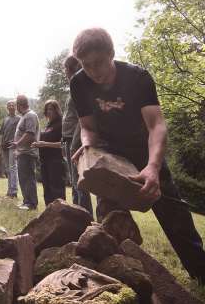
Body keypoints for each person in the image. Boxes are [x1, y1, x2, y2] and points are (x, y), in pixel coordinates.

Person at [70, 27, 205, 283]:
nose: (94, 72)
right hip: (110, 155)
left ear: (112, 53)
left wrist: (153, 167)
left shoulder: (137, 78)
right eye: (87, 66)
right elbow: (87, 127)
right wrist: (88, 146)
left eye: (99, 63)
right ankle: (122, 277)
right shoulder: (78, 82)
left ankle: (201, 272)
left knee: (177, 220)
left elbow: (156, 125)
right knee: (110, 220)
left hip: (144, 151)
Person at [62, 55, 93, 214]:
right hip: (68, 138)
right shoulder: (74, 85)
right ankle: (75, 214)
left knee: (79, 180)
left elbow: (82, 118)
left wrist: (75, 143)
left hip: (76, 138)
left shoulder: (80, 84)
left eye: (65, 69)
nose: (65, 73)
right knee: (73, 180)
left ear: (70, 68)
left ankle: (84, 215)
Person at [32, 99, 66, 206]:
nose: (48, 112)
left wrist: (44, 144)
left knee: (56, 189)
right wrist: (38, 144)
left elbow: (62, 144)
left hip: (55, 161)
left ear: (57, 110)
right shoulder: (48, 125)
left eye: (51, 109)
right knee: (47, 188)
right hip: (44, 161)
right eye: (47, 110)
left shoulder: (61, 123)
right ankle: (48, 213)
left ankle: (61, 212)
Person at [10, 95, 40, 210]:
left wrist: (17, 144)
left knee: (28, 178)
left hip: (28, 153)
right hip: (23, 152)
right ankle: (26, 201)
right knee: (23, 178)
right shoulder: (25, 116)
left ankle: (31, 203)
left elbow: (30, 133)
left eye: (16, 105)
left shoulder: (30, 115)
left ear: (19, 105)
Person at [0, 100, 20, 198]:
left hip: (13, 146)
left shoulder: (19, 118)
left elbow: (21, 133)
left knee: (13, 168)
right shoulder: (5, 119)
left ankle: (14, 191)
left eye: (13, 105)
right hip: (4, 146)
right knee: (8, 169)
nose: (11, 106)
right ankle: (9, 191)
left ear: (15, 107)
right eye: (9, 105)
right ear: (7, 107)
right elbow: (2, 134)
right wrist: (0, 147)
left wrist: (17, 145)